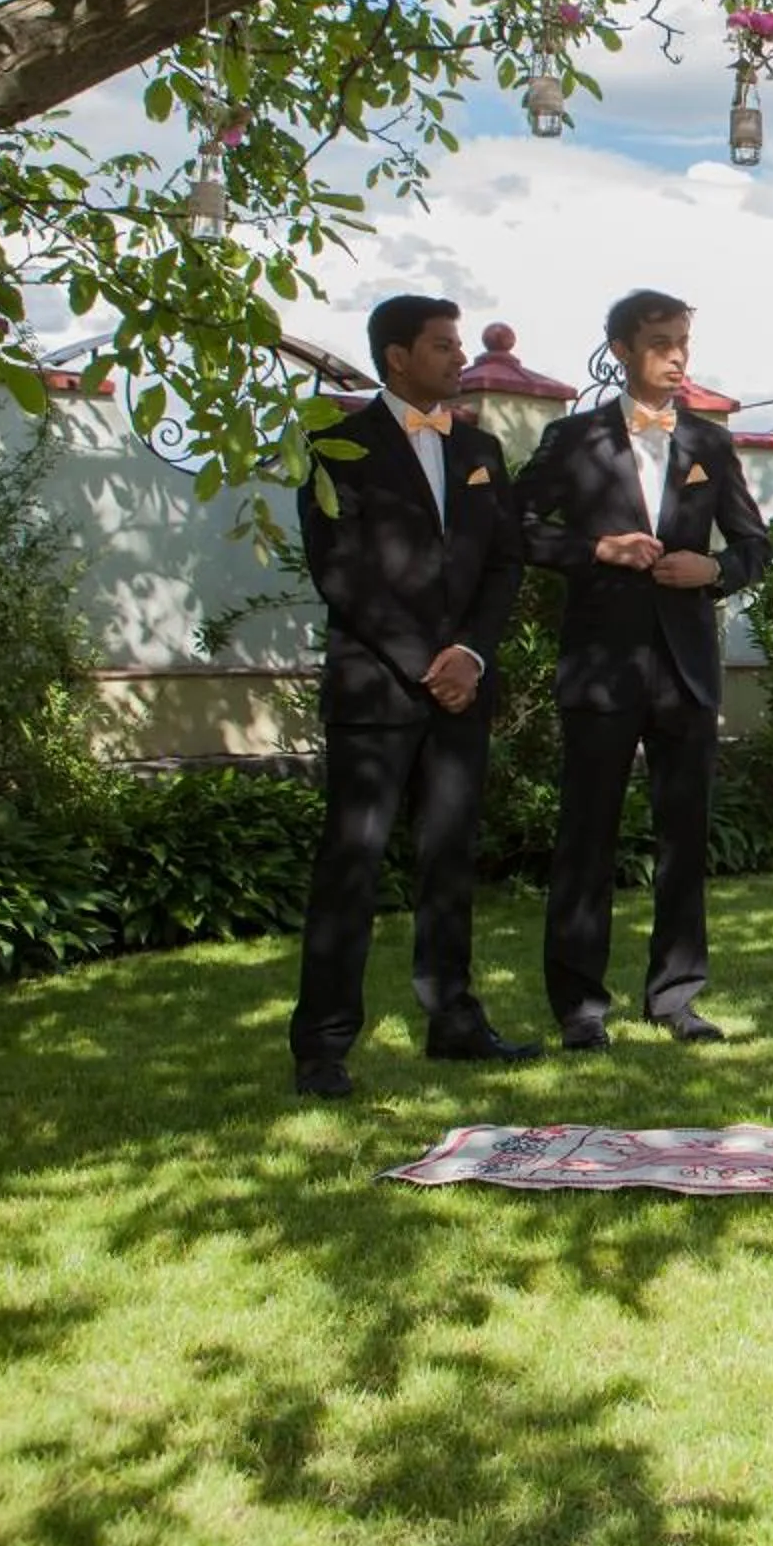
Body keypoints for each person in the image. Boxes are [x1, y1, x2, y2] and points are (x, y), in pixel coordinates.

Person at [289, 296, 536, 1097]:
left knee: (450, 863)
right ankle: (322, 1047)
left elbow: (504, 561)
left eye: (460, 344)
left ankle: (454, 1022)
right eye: (443, 346)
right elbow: (339, 571)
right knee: (350, 869)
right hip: (376, 693)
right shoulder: (337, 446)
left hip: (461, 692)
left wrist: (470, 655)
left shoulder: (480, 448)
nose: (458, 357)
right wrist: (427, 662)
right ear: (396, 357)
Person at [513, 291, 767, 1052]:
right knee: (585, 838)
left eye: (684, 340)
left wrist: (713, 569)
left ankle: (676, 997)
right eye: (661, 342)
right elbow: (513, 527)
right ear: (622, 349)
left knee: (683, 840)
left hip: (686, 669)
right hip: (601, 665)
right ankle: (579, 1007)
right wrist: (596, 547)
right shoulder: (573, 439)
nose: (678, 356)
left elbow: (754, 545)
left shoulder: (709, 443)